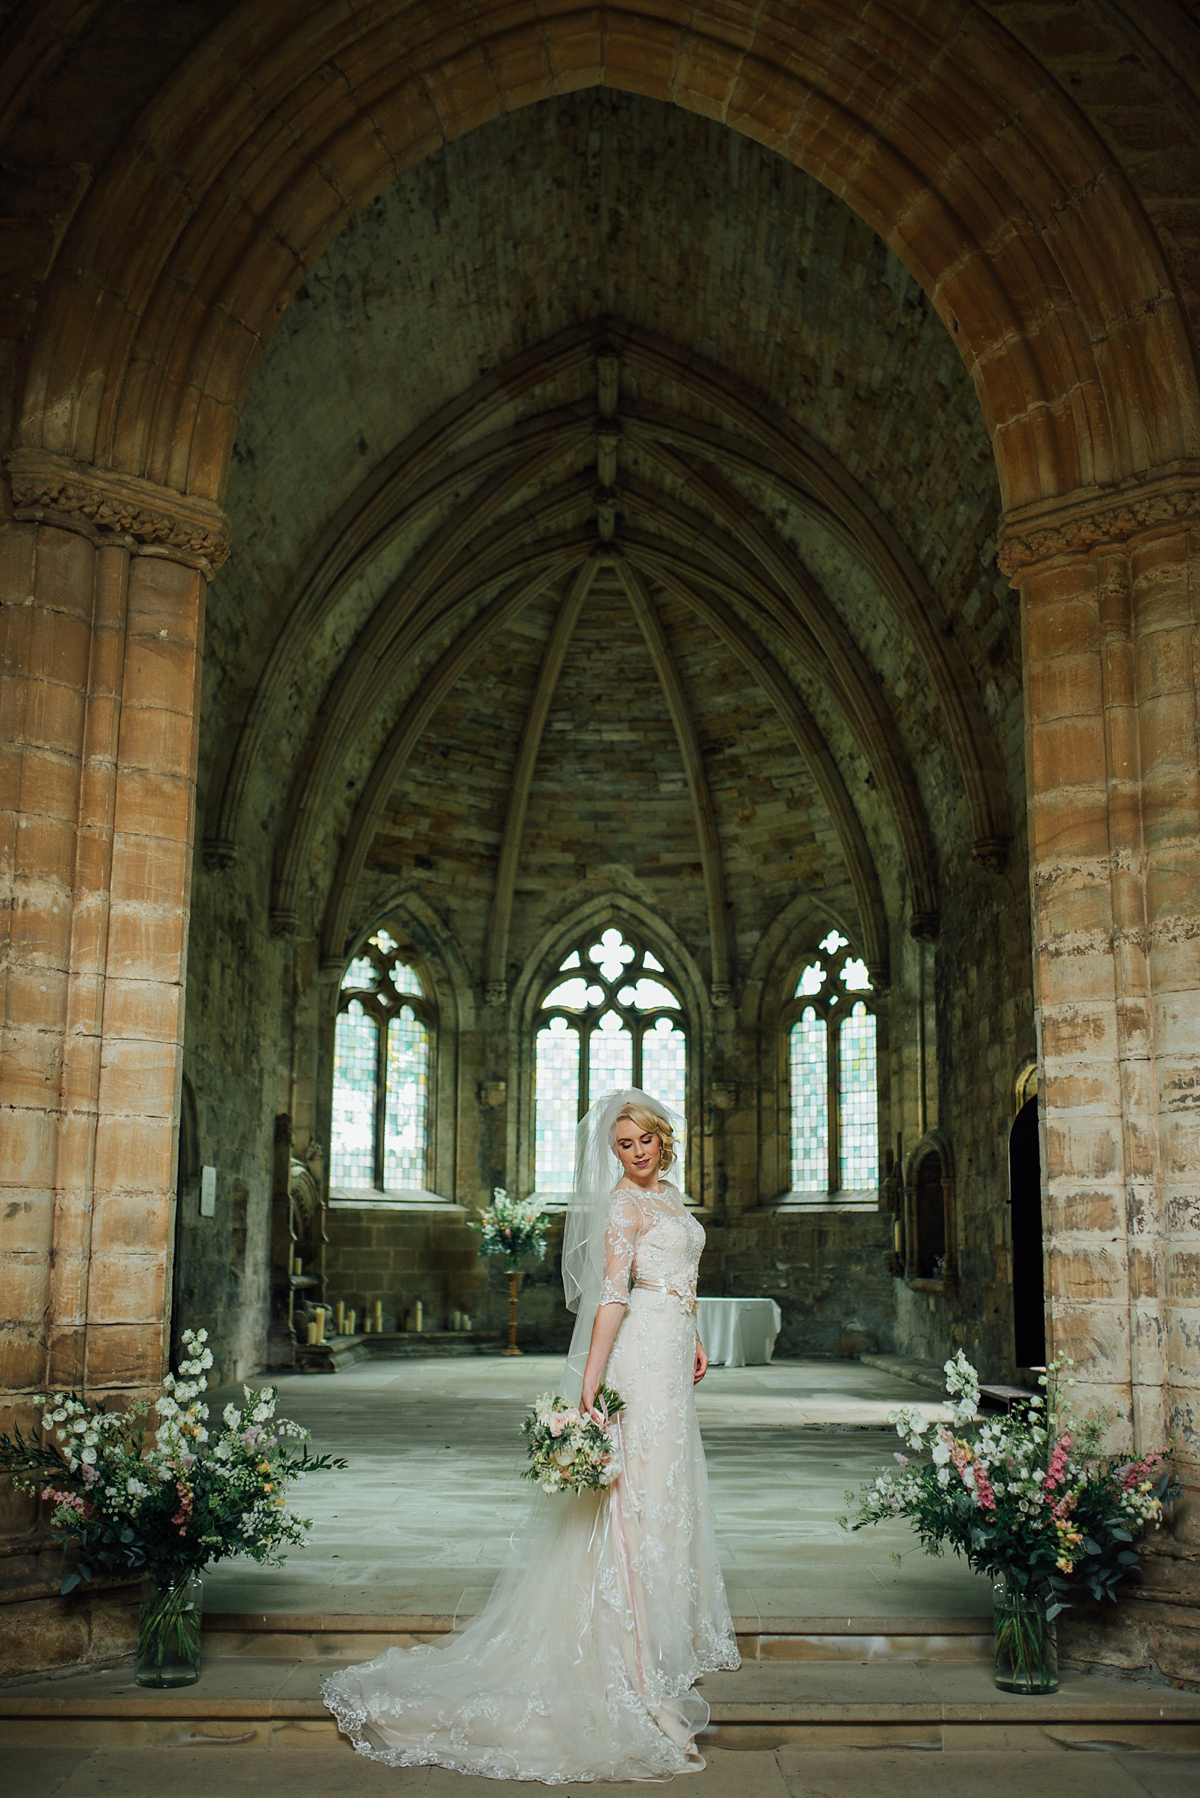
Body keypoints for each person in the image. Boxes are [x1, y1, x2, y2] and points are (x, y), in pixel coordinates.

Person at [322, 1087, 739, 1782]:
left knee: (665, 1510)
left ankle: (656, 1658)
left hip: (672, 1359)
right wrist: (591, 1384)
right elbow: (614, 1295)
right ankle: (642, 1688)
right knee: (631, 1512)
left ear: (665, 1139)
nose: (636, 1154)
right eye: (623, 1146)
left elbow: (677, 1278)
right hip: (636, 1361)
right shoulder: (623, 1204)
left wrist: (692, 1335)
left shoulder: (668, 1196)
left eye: (645, 1141)